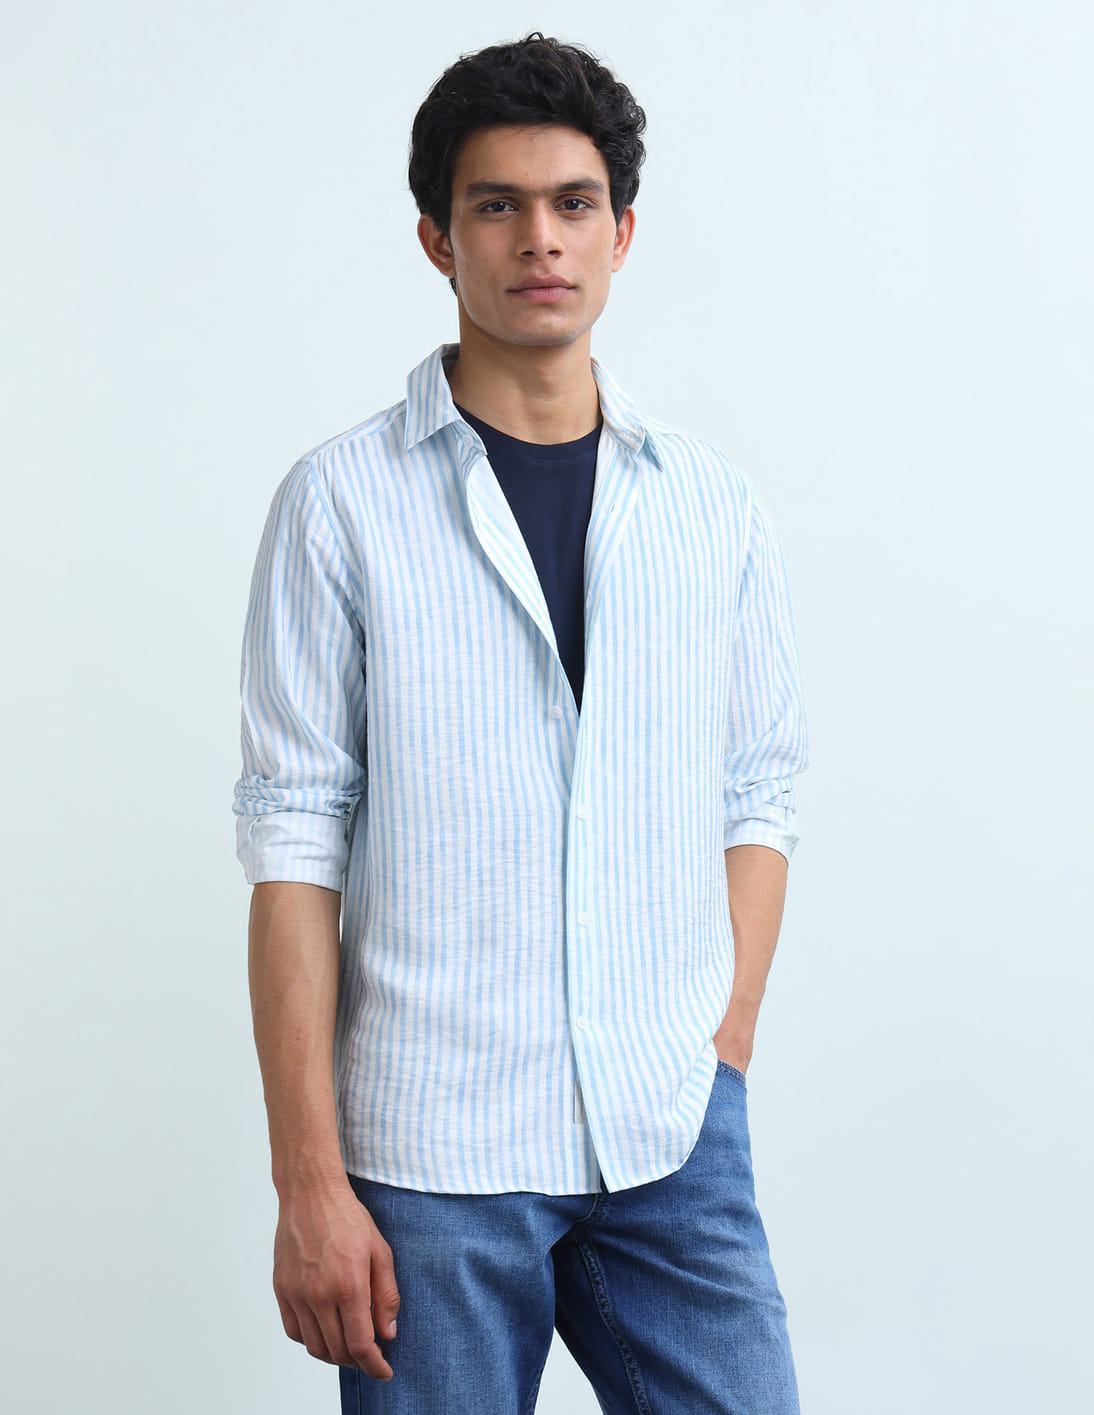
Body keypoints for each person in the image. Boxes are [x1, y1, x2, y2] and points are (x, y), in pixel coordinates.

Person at [234, 32, 809, 1415]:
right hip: (431, 1157)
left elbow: (757, 792)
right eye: (496, 205)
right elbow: (294, 848)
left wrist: (721, 1043)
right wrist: (309, 1184)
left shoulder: (707, 507)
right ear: (439, 239)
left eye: (571, 204)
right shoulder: (340, 506)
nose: (538, 239)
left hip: (670, 1136)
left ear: (621, 233)